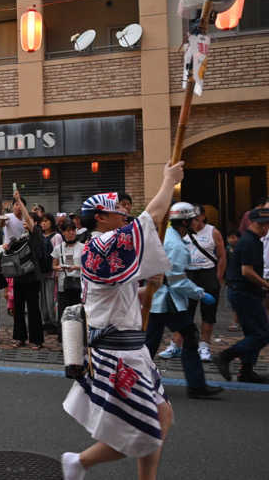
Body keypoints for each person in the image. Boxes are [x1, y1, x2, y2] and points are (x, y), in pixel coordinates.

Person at [61, 162, 182, 480]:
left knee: (161, 413)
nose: (125, 214)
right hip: (117, 352)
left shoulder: (103, 247)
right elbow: (151, 218)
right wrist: (169, 181)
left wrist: (146, 289)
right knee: (146, 430)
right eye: (118, 210)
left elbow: (119, 297)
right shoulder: (99, 244)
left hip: (131, 347)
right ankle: (80, 461)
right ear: (100, 217)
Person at [145, 202, 223, 399]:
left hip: (158, 300)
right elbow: (177, 281)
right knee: (189, 336)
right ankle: (196, 386)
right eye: (195, 220)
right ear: (186, 222)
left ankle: (136, 382)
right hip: (168, 300)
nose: (199, 223)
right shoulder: (176, 245)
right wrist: (200, 293)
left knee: (149, 343)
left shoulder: (167, 237)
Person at [215, 207, 269, 384]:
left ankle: (246, 370)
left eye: (266, 225)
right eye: (261, 225)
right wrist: (266, 284)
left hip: (248, 292)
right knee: (262, 334)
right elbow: (247, 271)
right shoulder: (248, 242)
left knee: (254, 333)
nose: (265, 228)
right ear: (251, 223)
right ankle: (225, 356)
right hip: (243, 292)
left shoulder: (254, 241)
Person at [184, 205, 227, 362]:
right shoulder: (184, 231)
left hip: (207, 273)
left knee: (208, 312)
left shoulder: (212, 231)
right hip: (189, 274)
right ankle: (177, 344)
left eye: (195, 218)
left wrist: (218, 277)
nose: (192, 222)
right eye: (190, 219)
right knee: (185, 310)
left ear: (202, 216)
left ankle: (204, 346)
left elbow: (222, 256)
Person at [10, 191, 45, 350]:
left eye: (29, 220)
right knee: (18, 309)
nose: (26, 222)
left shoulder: (36, 233)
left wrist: (18, 201)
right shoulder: (22, 236)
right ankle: (19, 337)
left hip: (32, 277)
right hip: (19, 276)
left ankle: (36, 340)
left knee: (33, 309)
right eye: (25, 221)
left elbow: (30, 222)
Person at [52, 220, 83, 338]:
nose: (71, 233)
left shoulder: (83, 247)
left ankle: (79, 338)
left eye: (73, 230)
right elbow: (53, 265)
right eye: (68, 230)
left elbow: (86, 266)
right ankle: (64, 338)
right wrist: (60, 268)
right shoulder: (58, 248)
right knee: (64, 312)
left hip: (78, 284)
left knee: (78, 312)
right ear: (63, 232)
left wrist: (76, 267)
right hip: (63, 285)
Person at [39, 213, 59, 334]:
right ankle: (46, 322)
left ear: (52, 222)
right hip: (41, 273)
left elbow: (58, 254)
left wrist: (56, 271)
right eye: (42, 221)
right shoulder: (40, 236)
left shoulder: (56, 237)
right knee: (43, 300)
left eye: (47, 221)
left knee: (51, 298)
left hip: (52, 273)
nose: (44, 223)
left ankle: (54, 323)